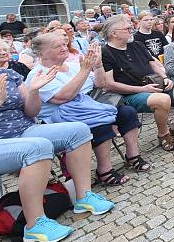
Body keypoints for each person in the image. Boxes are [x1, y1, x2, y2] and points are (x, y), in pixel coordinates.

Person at [0, 31, 113, 242]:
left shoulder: (8, 75)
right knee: (37, 147)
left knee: (79, 130)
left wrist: (34, 91)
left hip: (23, 131)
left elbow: (31, 112)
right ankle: (34, 224)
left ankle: (84, 197)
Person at [28, 34, 149, 185]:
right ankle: (104, 171)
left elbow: (100, 84)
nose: (64, 48)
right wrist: (85, 69)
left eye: (64, 44)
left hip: (86, 109)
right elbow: (64, 97)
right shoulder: (38, 74)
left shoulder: (72, 66)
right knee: (99, 123)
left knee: (127, 112)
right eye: (56, 46)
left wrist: (98, 65)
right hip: (59, 119)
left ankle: (132, 155)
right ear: (41, 53)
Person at [100, 15, 174, 152]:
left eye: (131, 27)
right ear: (114, 33)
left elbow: (154, 64)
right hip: (129, 95)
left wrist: (165, 77)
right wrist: (141, 89)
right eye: (128, 28)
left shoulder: (136, 45)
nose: (132, 30)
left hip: (154, 85)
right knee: (163, 99)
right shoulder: (105, 52)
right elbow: (109, 84)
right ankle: (163, 135)